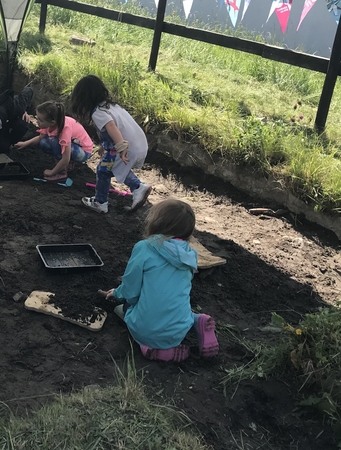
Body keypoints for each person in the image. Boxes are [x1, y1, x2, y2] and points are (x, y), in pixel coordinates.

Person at [103, 199, 219, 362]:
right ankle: (196, 320)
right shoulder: (190, 255)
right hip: (179, 329)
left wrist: (117, 293)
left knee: (123, 311)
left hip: (147, 329)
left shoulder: (144, 247)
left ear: (156, 223)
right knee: (176, 306)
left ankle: (152, 349)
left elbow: (131, 289)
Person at [70, 75, 151, 214]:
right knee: (108, 170)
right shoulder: (112, 106)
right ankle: (107, 199)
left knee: (104, 170)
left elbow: (112, 126)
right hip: (139, 144)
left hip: (125, 147)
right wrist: (104, 145)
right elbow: (111, 129)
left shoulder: (98, 112)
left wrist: (121, 146)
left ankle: (107, 199)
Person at [13, 101, 93, 182]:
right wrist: (25, 144)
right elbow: (40, 138)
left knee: (55, 142)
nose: (37, 122)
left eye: (40, 120)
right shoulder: (52, 123)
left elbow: (66, 158)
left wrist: (52, 172)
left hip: (83, 151)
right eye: (37, 118)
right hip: (73, 145)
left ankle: (62, 173)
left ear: (52, 122)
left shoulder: (64, 129)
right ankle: (66, 166)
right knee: (44, 143)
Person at [0, 87, 34, 154]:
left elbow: (29, 90)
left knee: (22, 124)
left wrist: (25, 110)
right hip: (4, 115)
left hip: (14, 115)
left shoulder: (18, 105)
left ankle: (11, 142)